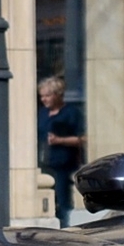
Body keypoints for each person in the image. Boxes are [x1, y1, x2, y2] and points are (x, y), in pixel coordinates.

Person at [37, 75, 87, 225]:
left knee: (63, 201)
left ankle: (65, 226)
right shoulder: (41, 114)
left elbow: (84, 138)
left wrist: (61, 140)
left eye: (47, 96)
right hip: (44, 163)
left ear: (58, 95)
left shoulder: (72, 113)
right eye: (42, 96)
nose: (44, 99)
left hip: (64, 165)